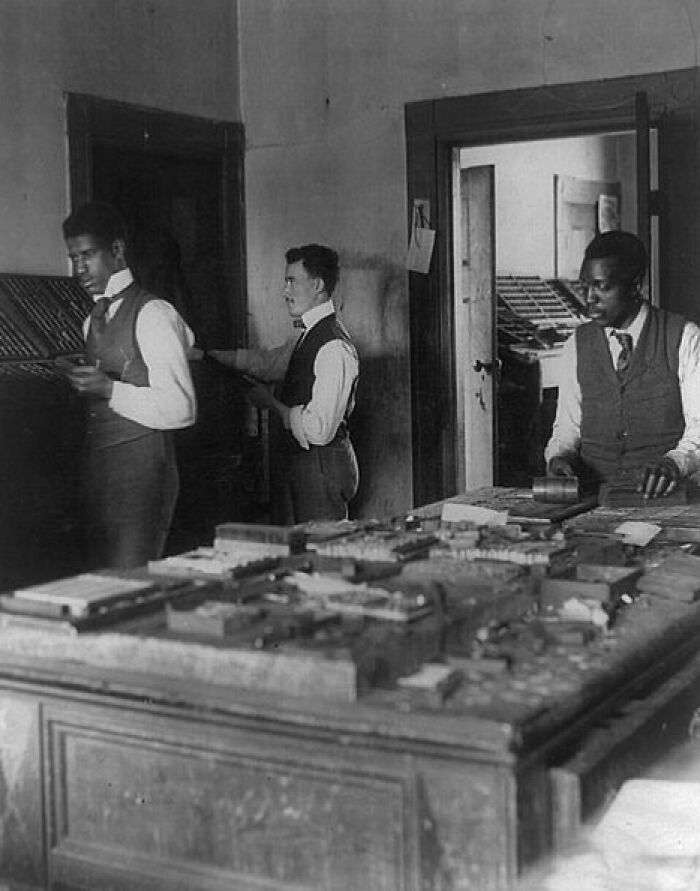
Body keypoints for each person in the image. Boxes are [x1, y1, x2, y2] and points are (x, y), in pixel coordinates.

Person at [61, 201, 197, 569]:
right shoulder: (93, 320)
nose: (79, 269)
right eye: (74, 258)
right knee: (98, 584)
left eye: (87, 255)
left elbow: (182, 409)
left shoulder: (154, 314)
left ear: (117, 250)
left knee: (131, 585)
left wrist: (108, 390)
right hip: (99, 471)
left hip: (142, 474)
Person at [209, 244, 359, 523]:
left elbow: (319, 430)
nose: (284, 291)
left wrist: (272, 404)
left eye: (291, 281)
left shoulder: (334, 347)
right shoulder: (311, 334)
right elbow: (268, 363)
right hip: (308, 464)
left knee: (323, 551)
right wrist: (209, 356)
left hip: (322, 464)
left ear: (317, 285)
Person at [545, 229, 700, 498]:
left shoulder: (685, 338)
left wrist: (672, 463)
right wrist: (559, 458)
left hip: (662, 500)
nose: (589, 298)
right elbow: (567, 429)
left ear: (636, 285)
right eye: (585, 286)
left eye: (602, 287)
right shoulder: (576, 345)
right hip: (592, 498)